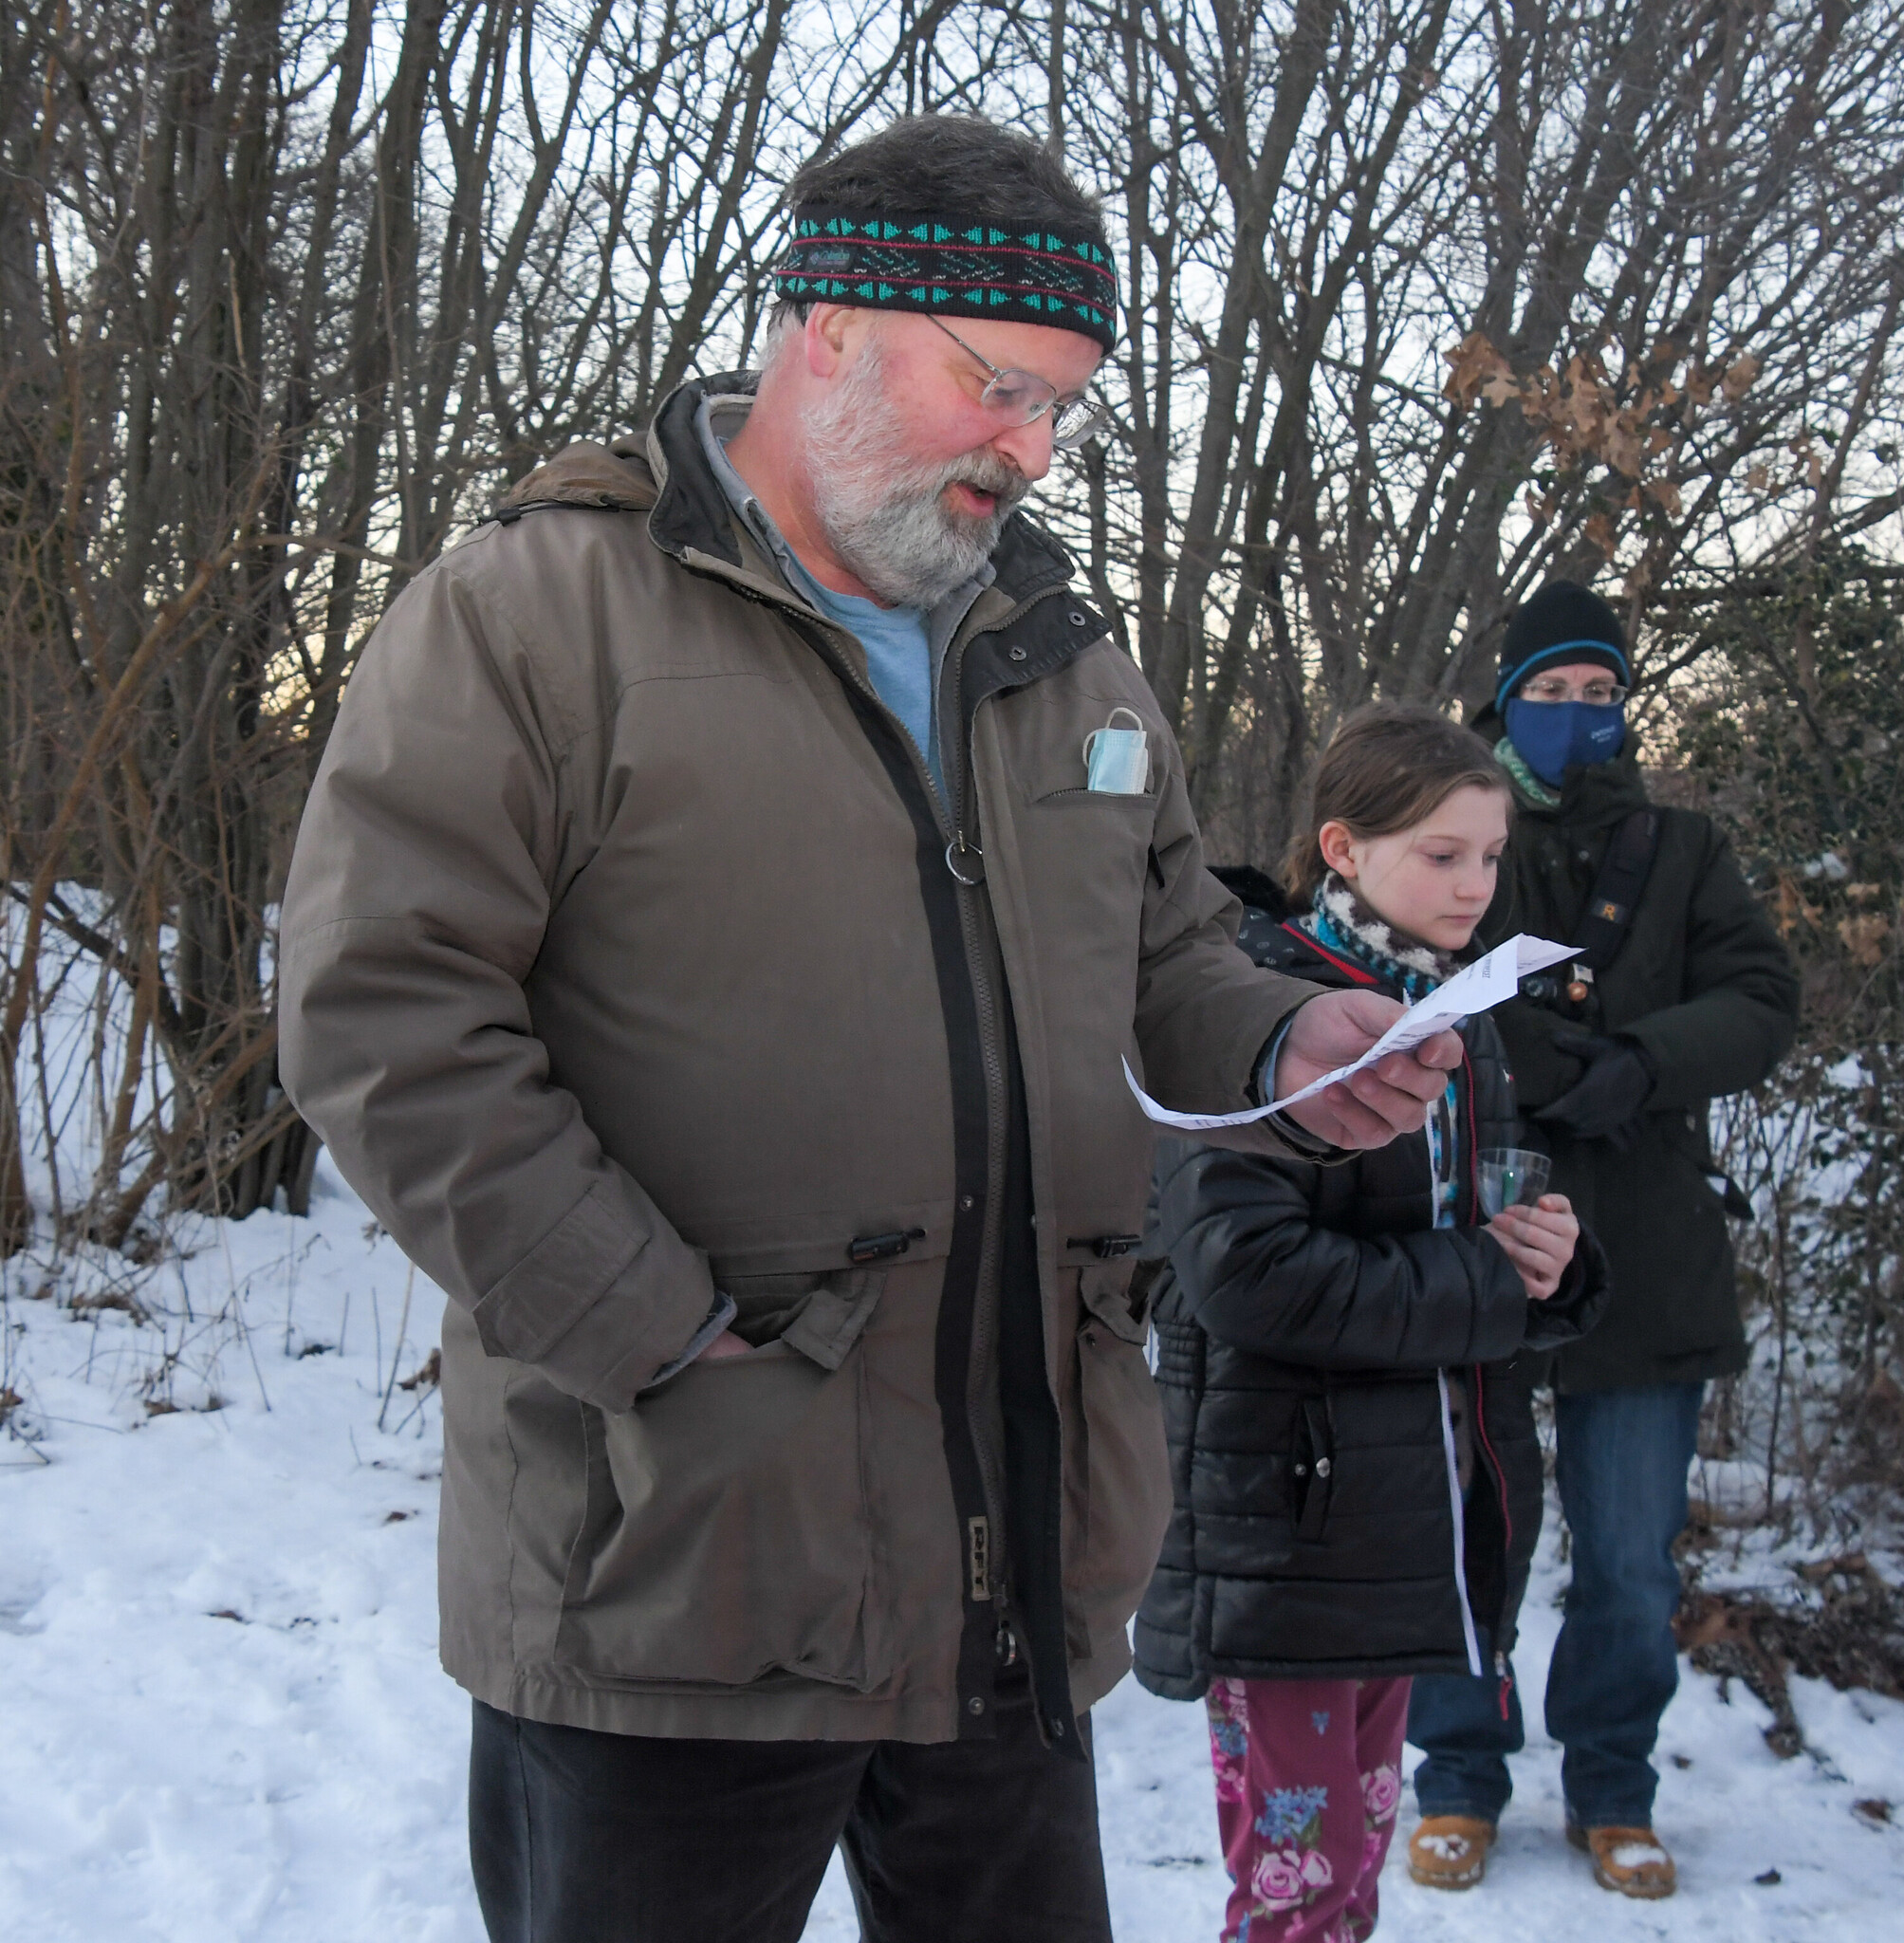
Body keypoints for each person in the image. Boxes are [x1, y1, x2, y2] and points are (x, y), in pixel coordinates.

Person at [276, 116, 1466, 1943]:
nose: (1033, 449)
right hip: (682, 1554)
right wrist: (658, 1342)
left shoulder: (1064, 653)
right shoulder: (535, 614)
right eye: (1001, 388)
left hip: (1009, 1537)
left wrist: (1286, 1052)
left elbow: (1162, 960)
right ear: (828, 328)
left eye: (1067, 405)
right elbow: (385, 1015)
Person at [1132, 704, 1608, 1943]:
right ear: (1341, 849)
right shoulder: (1246, 1010)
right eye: (1442, 855)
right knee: (1292, 1892)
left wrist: (1552, 1264)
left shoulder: (1466, 1008)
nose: (1475, 884)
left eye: (1490, 856)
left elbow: (1493, 1225)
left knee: (1346, 1890)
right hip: (1285, 1526)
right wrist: (1485, 1279)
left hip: (1418, 1517)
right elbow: (1245, 1272)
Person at [1404, 581, 1800, 1900]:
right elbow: (1397, 970)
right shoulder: (1461, 830)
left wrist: (1637, 1061)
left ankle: (1611, 1784)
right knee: (1474, 1533)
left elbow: (1759, 998)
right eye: (1552, 691)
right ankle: (1456, 1774)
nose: (1578, 715)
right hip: (1484, 1237)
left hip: (1646, 1243)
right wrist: (1525, 1060)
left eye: (1599, 693)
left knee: (1630, 1556)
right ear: (1505, 700)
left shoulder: (1682, 849)